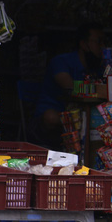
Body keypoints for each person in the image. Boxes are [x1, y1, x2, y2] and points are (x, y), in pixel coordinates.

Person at [32, 22, 106, 150]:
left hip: (83, 118)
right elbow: (69, 86)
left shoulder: (99, 67)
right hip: (54, 120)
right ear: (84, 44)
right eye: (98, 42)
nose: (102, 47)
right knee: (52, 117)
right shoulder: (61, 62)